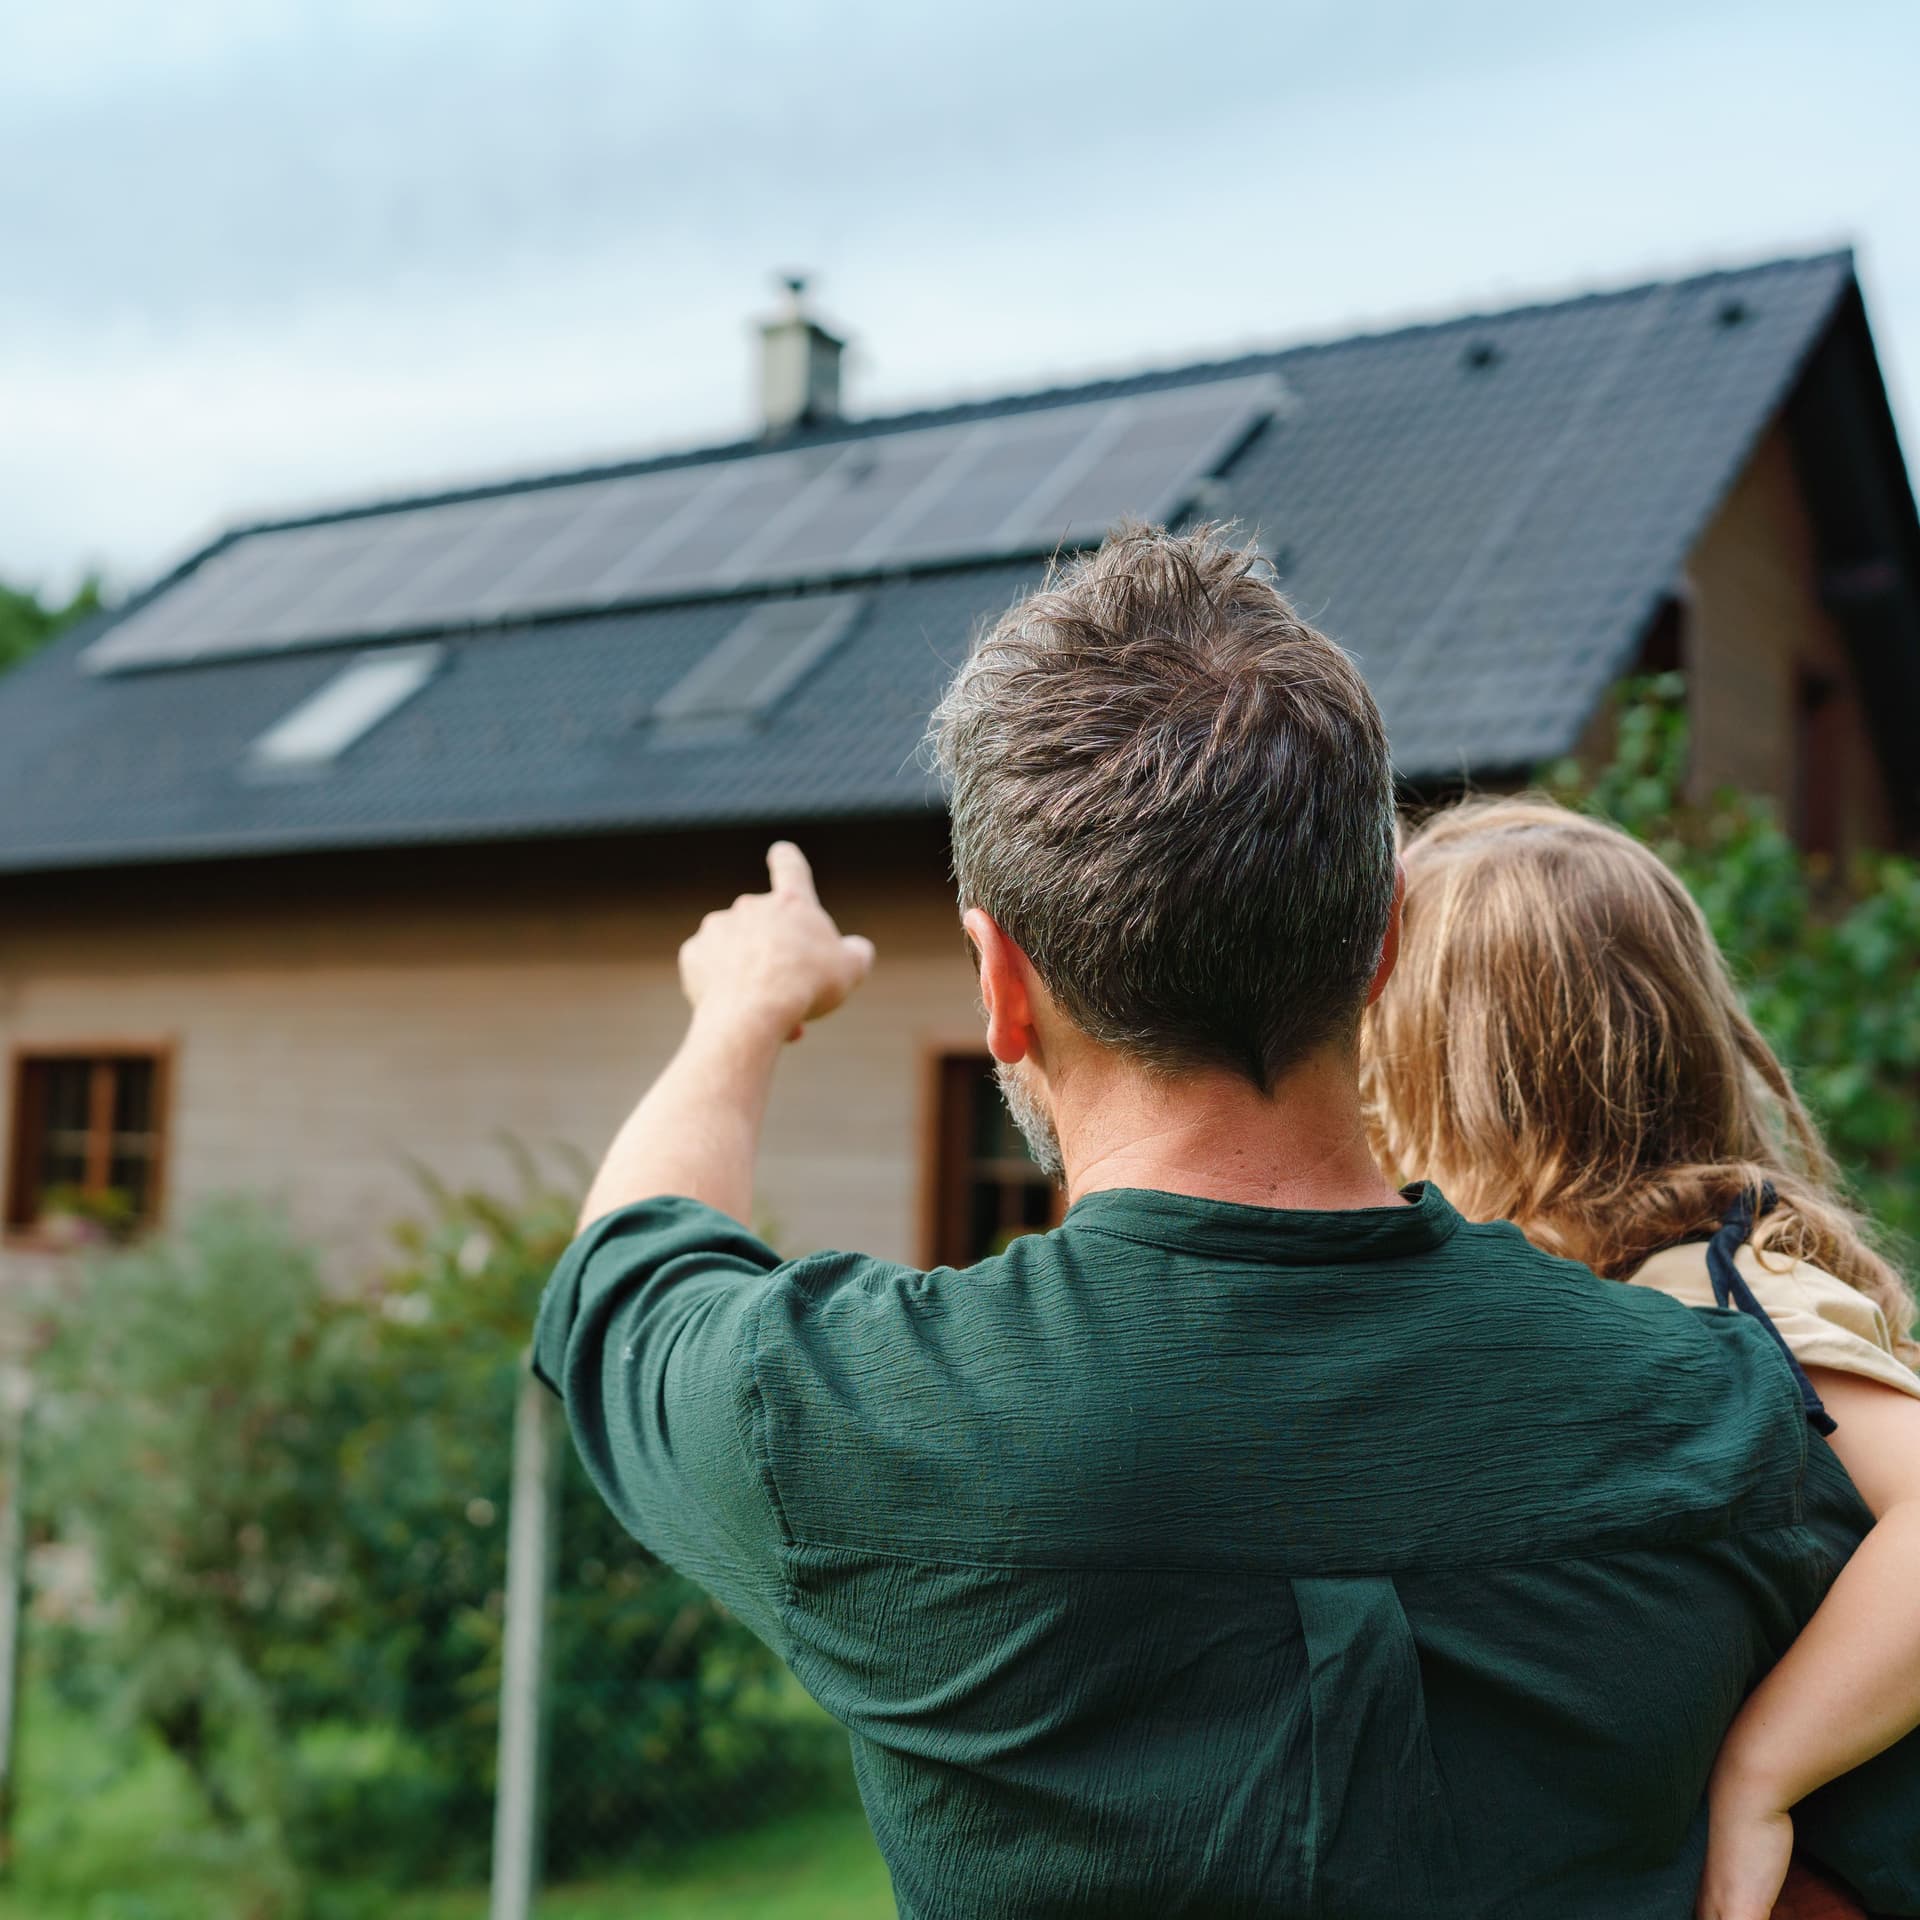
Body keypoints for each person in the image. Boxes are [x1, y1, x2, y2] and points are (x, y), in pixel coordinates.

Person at [532, 524, 1918, 1918]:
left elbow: (626, 1263)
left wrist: (745, 1011)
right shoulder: (1720, 1413)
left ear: (999, 985)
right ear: (1378, 945)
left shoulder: (841, 1419)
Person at [1361, 795, 1920, 1920]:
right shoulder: (1598, 1294)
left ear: (1458, 1083)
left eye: (1375, 1055)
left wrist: (1761, 1776)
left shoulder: (1718, 1289)